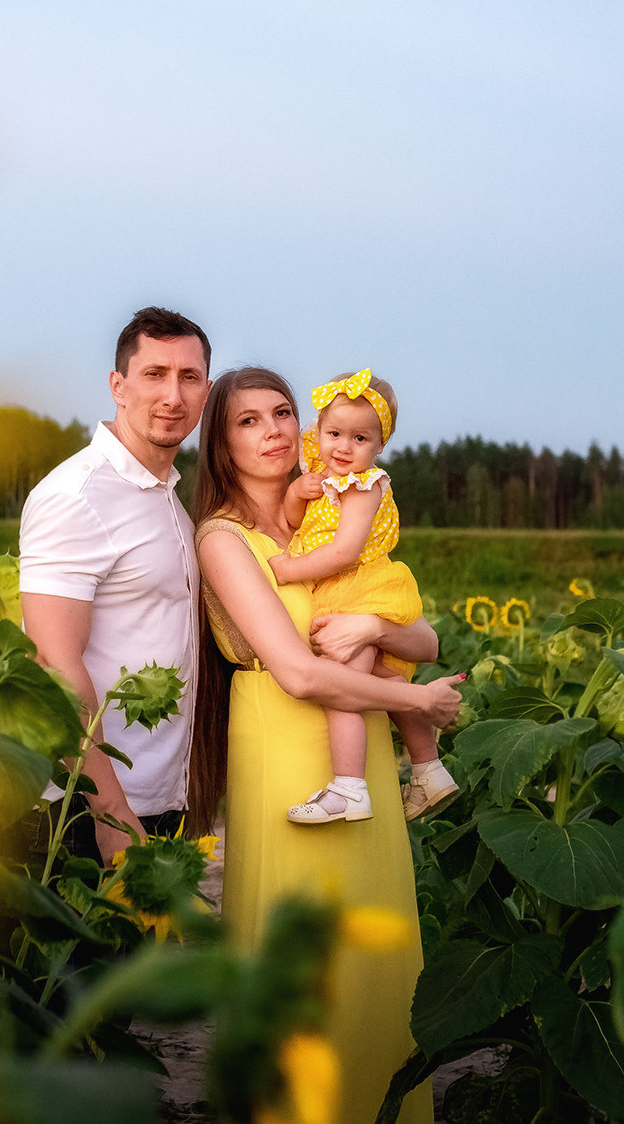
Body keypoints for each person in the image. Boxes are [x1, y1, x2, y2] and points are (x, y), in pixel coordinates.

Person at [186, 367, 463, 1124]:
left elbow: (426, 637)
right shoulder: (223, 539)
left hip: (358, 751)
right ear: (221, 443)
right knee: (299, 941)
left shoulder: (330, 516)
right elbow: (302, 673)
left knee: (370, 947)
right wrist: (417, 702)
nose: (273, 430)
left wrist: (375, 629)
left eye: (281, 413)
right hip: (282, 742)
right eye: (248, 421)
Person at [20, 307, 210, 864]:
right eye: (154, 374)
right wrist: (110, 813)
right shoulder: (78, 495)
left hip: (158, 797)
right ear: (118, 386)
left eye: (189, 377)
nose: (173, 396)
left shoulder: (165, 495)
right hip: (85, 809)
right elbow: (53, 660)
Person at [266, 370, 458, 826]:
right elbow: (297, 520)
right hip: (350, 590)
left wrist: (289, 569)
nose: (343, 447)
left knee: (344, 692)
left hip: (358, 588)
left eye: (360, 438)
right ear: (318, 432)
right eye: (333, 434)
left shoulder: (364, 485)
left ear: (378, 446)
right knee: (385, 683)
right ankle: (429, 769)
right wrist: (297, 491)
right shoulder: (325, 477)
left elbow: (344, 550)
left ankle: (348, 787)